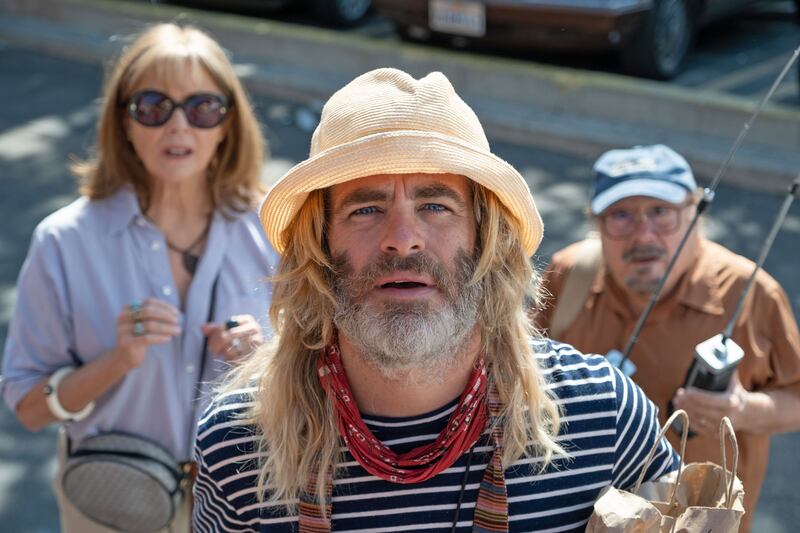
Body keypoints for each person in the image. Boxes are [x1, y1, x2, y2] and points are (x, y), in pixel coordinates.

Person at [191, 68, 679, 532]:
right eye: (365, 208)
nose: (402, 239)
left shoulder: (604, 419)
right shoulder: (238, 447)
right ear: (319, 247)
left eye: (435, 206)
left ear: (485, 237)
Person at [1, 23, 278, 532]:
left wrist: (264, 362)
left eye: (202, 108)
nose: (179, 127)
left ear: (227, 125)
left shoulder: (275, 233)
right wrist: (116, 360)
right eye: (153, 106)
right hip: (109, 503)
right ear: (123, 122)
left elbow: (325, 385)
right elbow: (29, 409)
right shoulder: (64, 240)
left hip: (245, 506)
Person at [536, 144, 800, 531]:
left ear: (695, 215)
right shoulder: (567, 275)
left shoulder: (752, 293)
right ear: (596, 224)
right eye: (621, 215)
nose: (643, 235)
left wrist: (743, 409)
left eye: (661, 213)